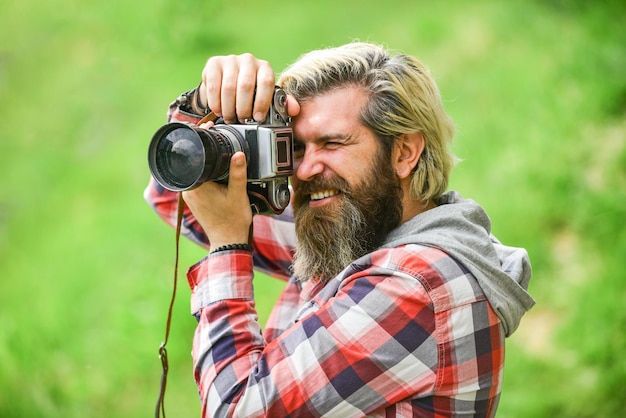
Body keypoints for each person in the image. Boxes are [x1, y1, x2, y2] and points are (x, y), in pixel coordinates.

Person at [145, 42, 535, 417]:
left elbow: (236, 409)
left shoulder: (416, 285)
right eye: (296, 147)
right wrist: (202, 108)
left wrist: (228, 244)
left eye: (331, 143)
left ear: (404, 152)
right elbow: (172, 199)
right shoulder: (357, 226)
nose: (304, 169)